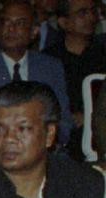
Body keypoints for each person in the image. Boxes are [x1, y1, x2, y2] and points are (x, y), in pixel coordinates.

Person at [0, 0, 73, 145]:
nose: (11, 29)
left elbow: (64, 122)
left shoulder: (51, 67)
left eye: (19, 23)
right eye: (6, 22)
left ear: (34, 31)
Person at [44, 0, 106, 132]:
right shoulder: (49, 60)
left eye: (93, 12)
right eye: (82, 13)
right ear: (63, 22)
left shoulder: (102, 54)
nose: (91, 18)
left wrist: (90, 116)